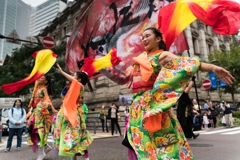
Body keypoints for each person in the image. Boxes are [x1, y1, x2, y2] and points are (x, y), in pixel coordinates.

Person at [123, 27, 234, 160]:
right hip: (137, 108)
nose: (144, 39)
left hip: (153, 107)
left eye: (147, 36)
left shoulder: (162, 55)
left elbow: (187, 63)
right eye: (143, 37)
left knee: (163, 147)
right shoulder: (140, 59)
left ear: (158, 39)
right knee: (141, 146)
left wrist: (213, 68)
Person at [54, 64, 93, 160]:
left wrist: (62, 71)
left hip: (74, 113)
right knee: (68, 135)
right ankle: (74, 158)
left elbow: (73, 80)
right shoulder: (70, 87)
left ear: (79, 79)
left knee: (76, 135)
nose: (72, 76)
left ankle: (86, 157)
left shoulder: (80, 86)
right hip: (65, 112)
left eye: (74, 75)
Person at [27, 75, 57, 160]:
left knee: (41, 132)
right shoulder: (36, 87)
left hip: (41, 114)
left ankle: (42, 153)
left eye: (42, 78)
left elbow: (47, 99)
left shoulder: (43, 88)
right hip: (35, 113)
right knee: (33, 131)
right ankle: (46, 146)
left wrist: (53, 108)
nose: (39, 79)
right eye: (39, 77)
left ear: (46, 81)